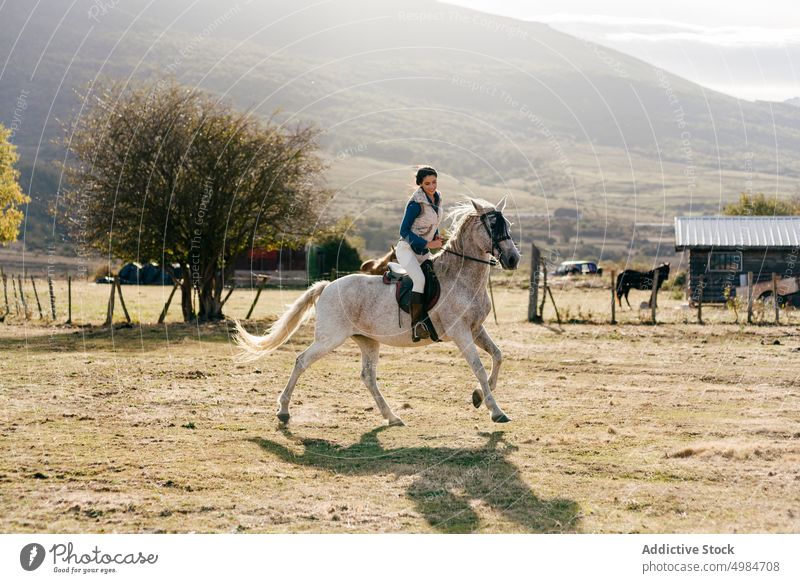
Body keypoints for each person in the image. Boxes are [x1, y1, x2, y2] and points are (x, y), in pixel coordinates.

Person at [396, 166, 444, 341]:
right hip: (407, 250)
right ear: (420, 184)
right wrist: (429, 243)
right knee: (420, 280)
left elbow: (434, 221)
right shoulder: (415, 204)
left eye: (434, 182)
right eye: (427, 183)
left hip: (423, 253)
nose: (432, 186)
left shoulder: (437, 198)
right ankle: (416, 326)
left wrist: (436, 233)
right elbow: (404, 231)